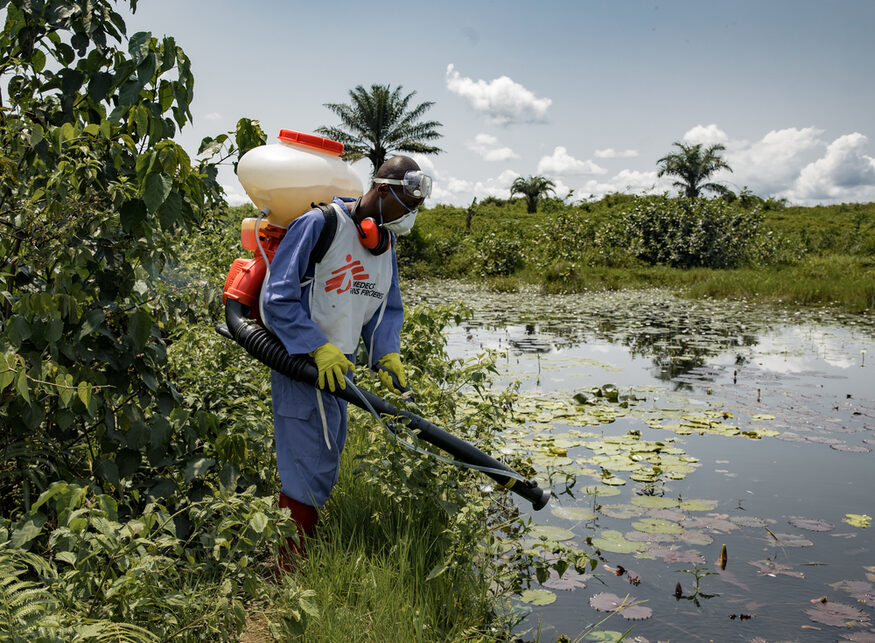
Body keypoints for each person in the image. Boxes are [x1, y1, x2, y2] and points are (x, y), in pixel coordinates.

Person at [261, 155, 431, 564]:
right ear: (381, 190)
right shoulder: (321, 225)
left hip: (342, 365)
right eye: (406, 205)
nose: (409, 216)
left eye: (416, 208)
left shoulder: (383, 246)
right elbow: (277, 297)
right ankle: (289, 569)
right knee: (307, 460)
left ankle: (300, 553)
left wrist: (387, 353)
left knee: (326, 453)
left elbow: (385, 309)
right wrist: (316, 346)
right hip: (302, 361)